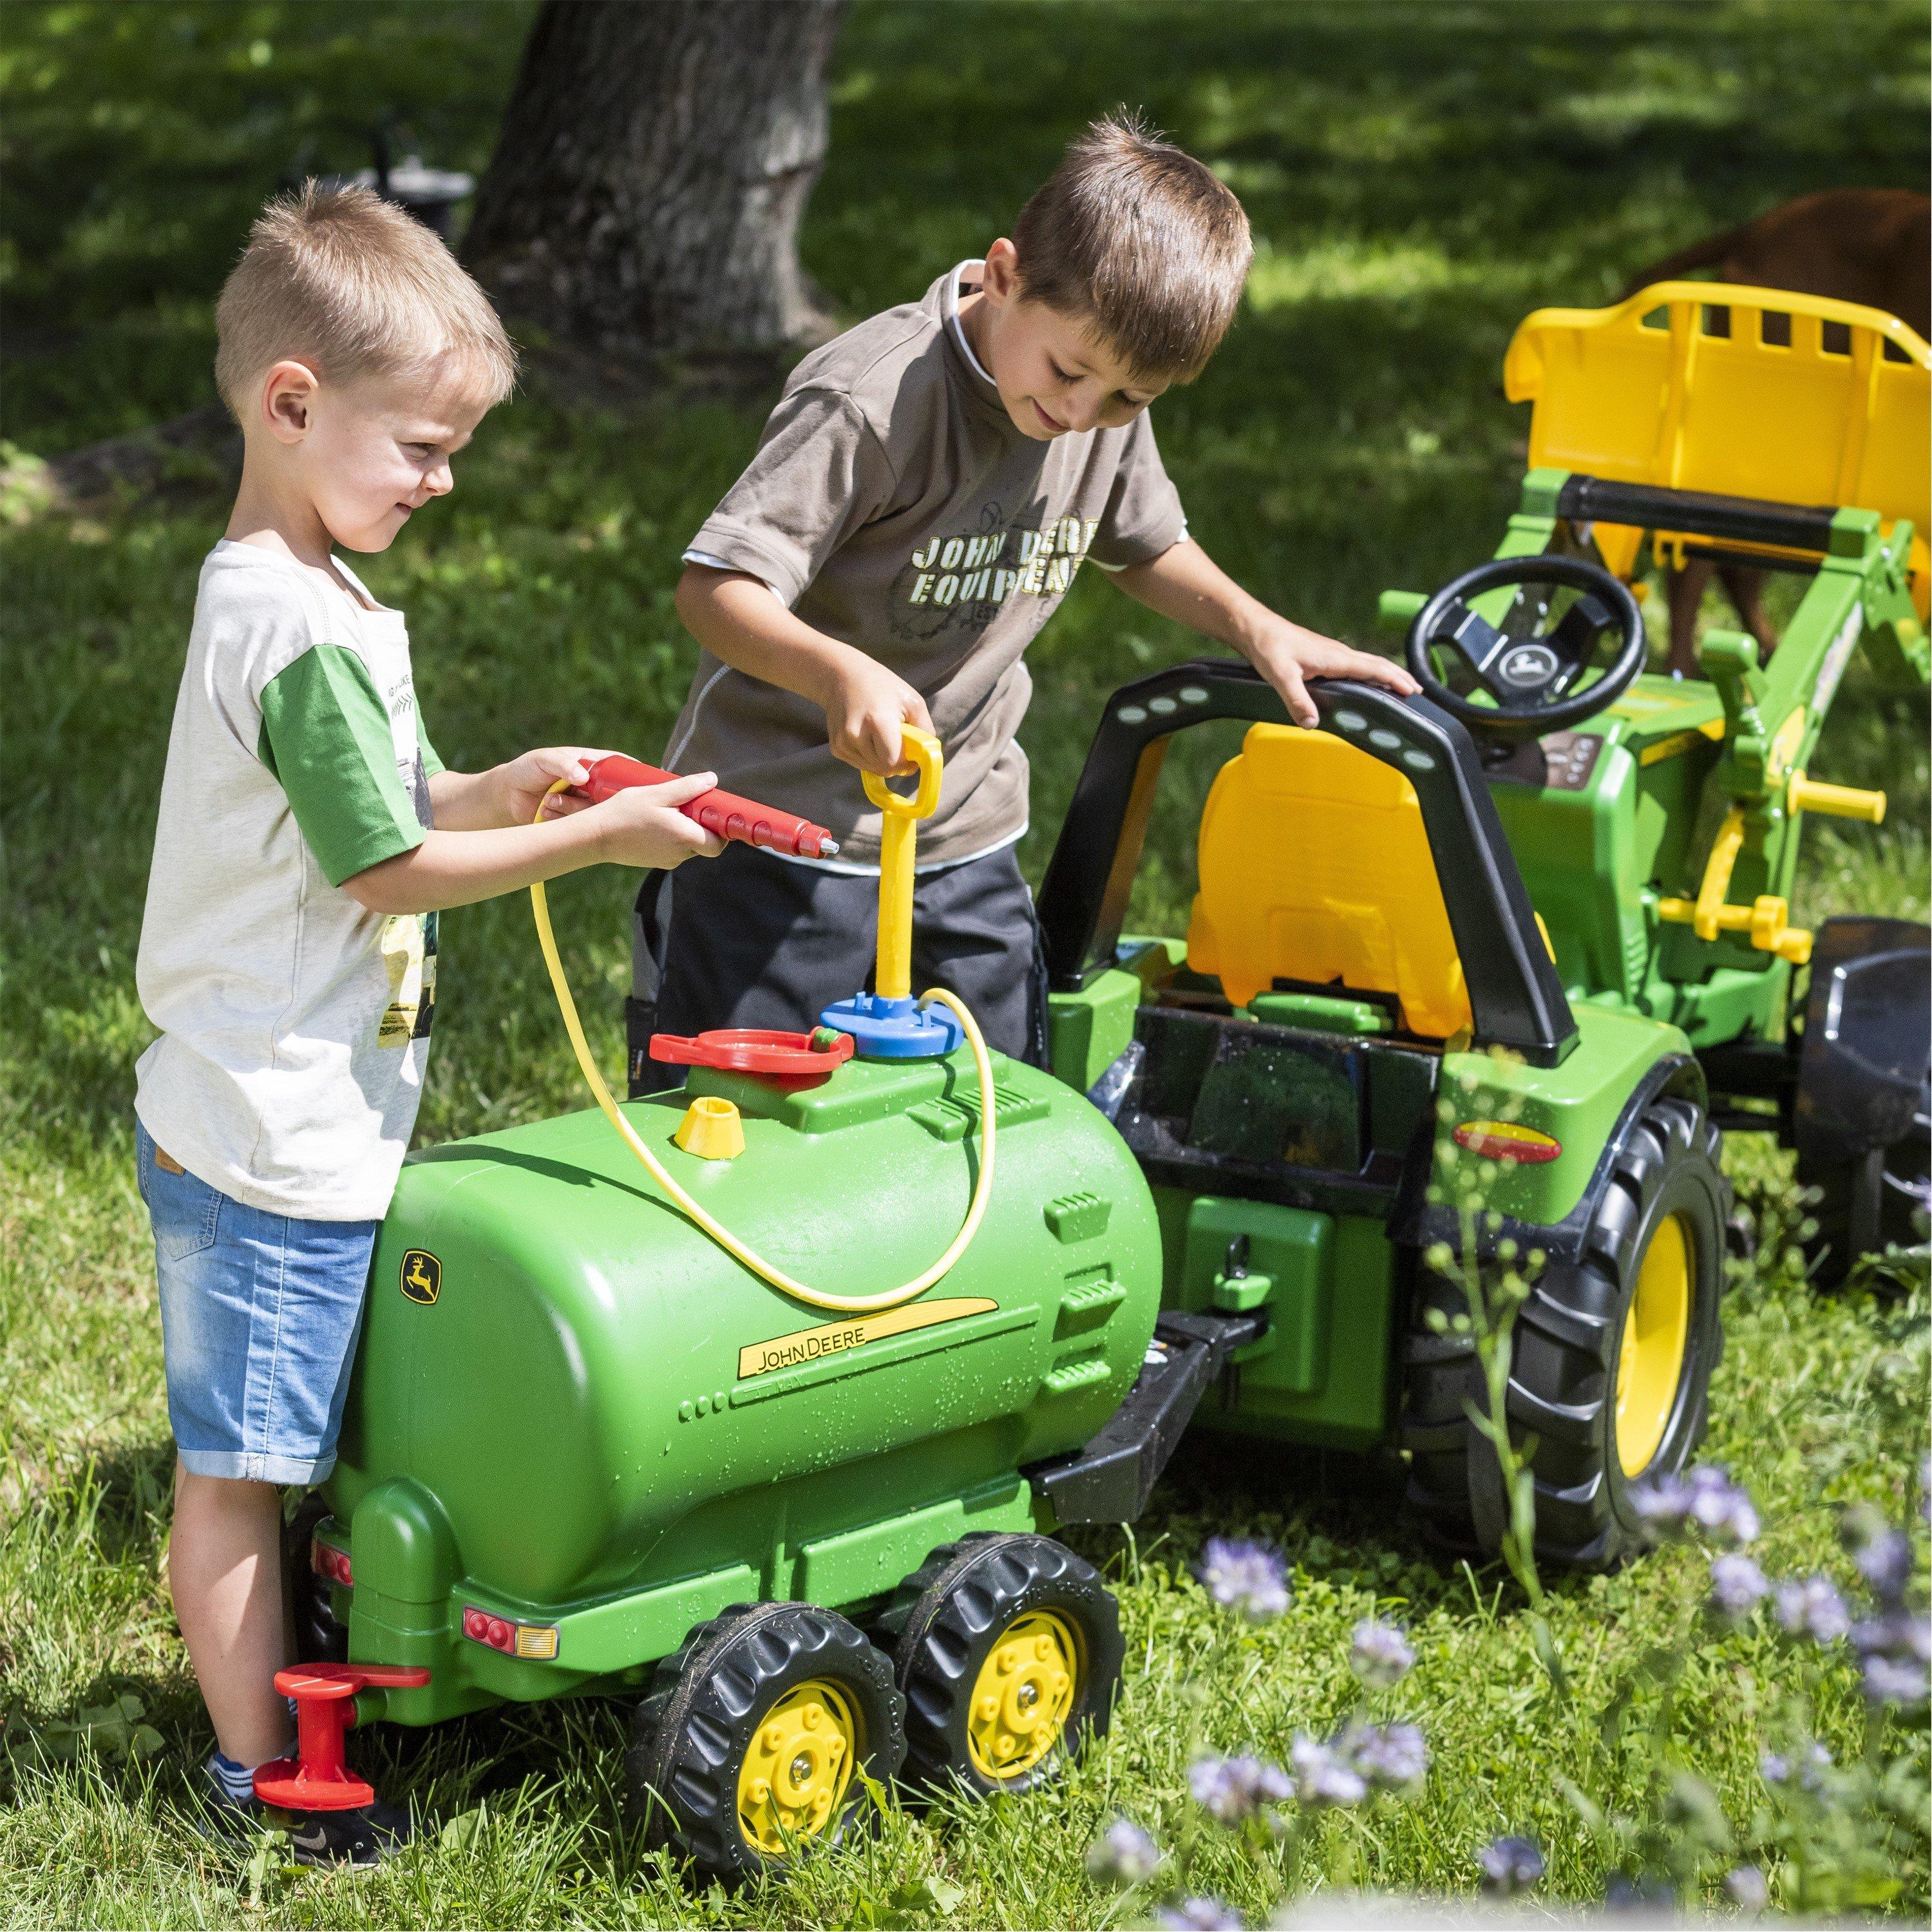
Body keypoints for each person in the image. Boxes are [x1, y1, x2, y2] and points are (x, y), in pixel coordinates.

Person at [133, 183, 722, 1863]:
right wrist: (595, 839)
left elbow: (389, 806)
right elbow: (389, 871)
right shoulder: (294, 626)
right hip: (267, 1137)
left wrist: (507, 781)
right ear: (294, 402)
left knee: (296, 1437)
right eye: (425, 445)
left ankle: (301, 1680)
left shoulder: (309, 590)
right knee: (242, 1471)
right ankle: (265, 1776)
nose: (445, 479)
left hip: (301, 1114)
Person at [635, 111, 1417, 1079]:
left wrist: (1260, 628)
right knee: (756, 1119)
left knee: (991, 1104)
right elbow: (718, 588)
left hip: (965, 830)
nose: (1081, 416)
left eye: (1129, 400)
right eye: (1070, 373)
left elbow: (1140, 543)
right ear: (1003, 275)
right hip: (785, 837)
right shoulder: (871, 402)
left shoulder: (1094, 399)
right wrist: (839, 674)